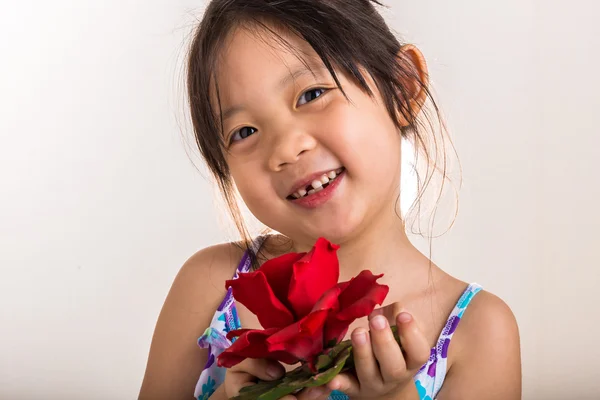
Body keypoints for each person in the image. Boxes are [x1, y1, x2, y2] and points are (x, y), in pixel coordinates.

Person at [139, 1, 521, 399]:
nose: (286, 149)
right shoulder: (210, 285)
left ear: (403, 87)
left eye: (312, 94)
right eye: (245, 131)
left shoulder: (479, 331)